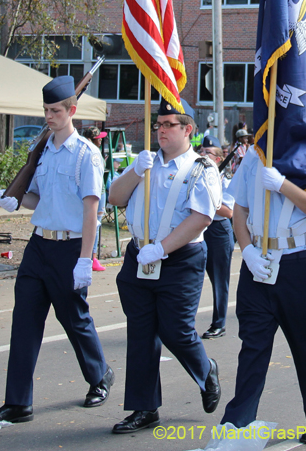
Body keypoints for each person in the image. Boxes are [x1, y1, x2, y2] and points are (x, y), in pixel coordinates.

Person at [0, 76, 113, 426]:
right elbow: (39, 198)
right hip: (39, 246)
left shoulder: (86, 155)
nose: (49, 117)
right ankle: (18, 402)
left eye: (55, 111)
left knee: (74, 320)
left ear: (72, 110)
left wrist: (85, 259)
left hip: (69, 248)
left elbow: (91, 210)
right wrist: (14, 198)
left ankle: (99, 377)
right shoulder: (43, 152)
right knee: (24, 322)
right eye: (46, 111)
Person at [108, 100, 221, 434]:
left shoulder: (202, 168)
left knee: (176, 330)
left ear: (187, 129)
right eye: (158, 125)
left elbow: (201, 217)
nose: (161, 130)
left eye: (169, 125)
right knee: (141, 333)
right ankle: (145, 408)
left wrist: (162, 248)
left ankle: (205, 369)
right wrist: (133, 170)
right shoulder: (144, 162)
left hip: (179, 259)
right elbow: (115, 197)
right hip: (140, 258)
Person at [220, 144, 306, 444]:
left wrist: (284, 185)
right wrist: (246, 249)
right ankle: (237, 423)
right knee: (252, 346)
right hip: (258, 259)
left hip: (300, 258)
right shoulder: (254, 153)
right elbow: (241, 208)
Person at [199, 135, 235, 339]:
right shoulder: (194, 175)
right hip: (196, 230)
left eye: (208, 153)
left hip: (217, 231)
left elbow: (228, 211)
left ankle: (219, 323)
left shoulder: (226, 181)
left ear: (219, 159)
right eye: (201, 152)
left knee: (219, 280)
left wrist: (207, 198)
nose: (203, 155)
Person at [82, 126, 109, 272]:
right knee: (95, 224)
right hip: (99, 192)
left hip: (91, 192)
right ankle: (92, 257)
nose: (101, 141)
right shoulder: (94, 154)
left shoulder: (83, 152)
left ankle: (89, 256)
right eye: (99, 139)